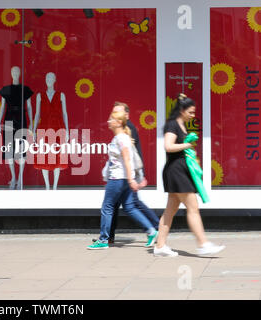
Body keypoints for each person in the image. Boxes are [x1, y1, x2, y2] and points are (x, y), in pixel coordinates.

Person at [154, 93, 225, 257]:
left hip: (178, 171)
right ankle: (203, 244)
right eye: (190, 112)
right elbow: (168, 146)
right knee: (193, 208)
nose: (193, 115)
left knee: (169, 211)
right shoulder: (172, 125)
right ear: (181, 110)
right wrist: (187, 144)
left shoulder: (180, 125)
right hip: (176, 172)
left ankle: (159, 246)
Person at [88, 110, 158, 250]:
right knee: (129, 207)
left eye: (111, 119)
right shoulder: (123, 137)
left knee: (107, 207)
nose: (108, 122)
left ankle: (103, 240)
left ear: (118, 122)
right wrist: (130, 179)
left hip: (118, 178)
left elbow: (127, 159)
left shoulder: (121, 138)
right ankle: (151, 231)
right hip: (124, 178)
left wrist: (131, 179)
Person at [0, 66, 33, 189]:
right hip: (8, 118)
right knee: (9, 150)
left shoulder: (25, 89)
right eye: (13, 71)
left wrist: (31, 123)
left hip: (21, 119)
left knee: (21, 149)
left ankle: (21, 178)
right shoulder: (6, 90)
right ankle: (13, 177)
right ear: (11, 73)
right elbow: (2, 106)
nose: (15, 73)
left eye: (17, 71)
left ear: (20, 73)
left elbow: (29, 107)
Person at [33, 72, 69, 190]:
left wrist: (67, 130)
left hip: (58, 127)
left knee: (57, 156)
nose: (48, 79)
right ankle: (47, 186)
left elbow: (64, 113)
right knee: (44, 155)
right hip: (43, 127)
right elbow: (37, 114)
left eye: (51, 77)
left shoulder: (61, 95)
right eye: (46, 77)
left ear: (54, 80)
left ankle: (54, 186)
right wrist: (34, 130)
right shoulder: (40, 96)